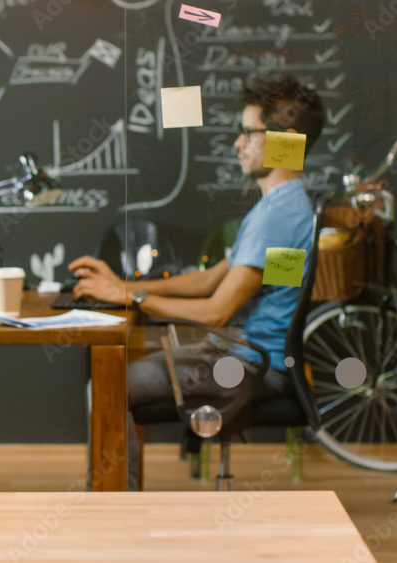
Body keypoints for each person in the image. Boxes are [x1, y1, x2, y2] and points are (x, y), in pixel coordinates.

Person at [70, 74, 324, 490]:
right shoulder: (289, 204)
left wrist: (131, 298)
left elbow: (215, 310)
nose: (238, 144)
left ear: (287, 140)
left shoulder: (275, 215)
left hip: (251, 365)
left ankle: (115, 509)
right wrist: (123, 287)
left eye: (249, 133)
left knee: (107, 385)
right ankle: (117, 501)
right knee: (114, 380)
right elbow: (212, 279)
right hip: (261, 358)